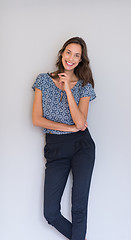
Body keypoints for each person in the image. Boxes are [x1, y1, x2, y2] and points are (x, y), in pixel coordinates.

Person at [32, 36, 96, 240]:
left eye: (77, 55)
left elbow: (80, 123)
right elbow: (37, 119)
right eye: (69, 52)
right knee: (50, 212)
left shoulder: (85, 85)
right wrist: (66, 129)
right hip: (56, 147)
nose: (71, 58)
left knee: (79, 207)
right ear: (62, 53)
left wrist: (68, 88)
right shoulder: (43, 80)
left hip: (82, 147)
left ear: (80, 60)